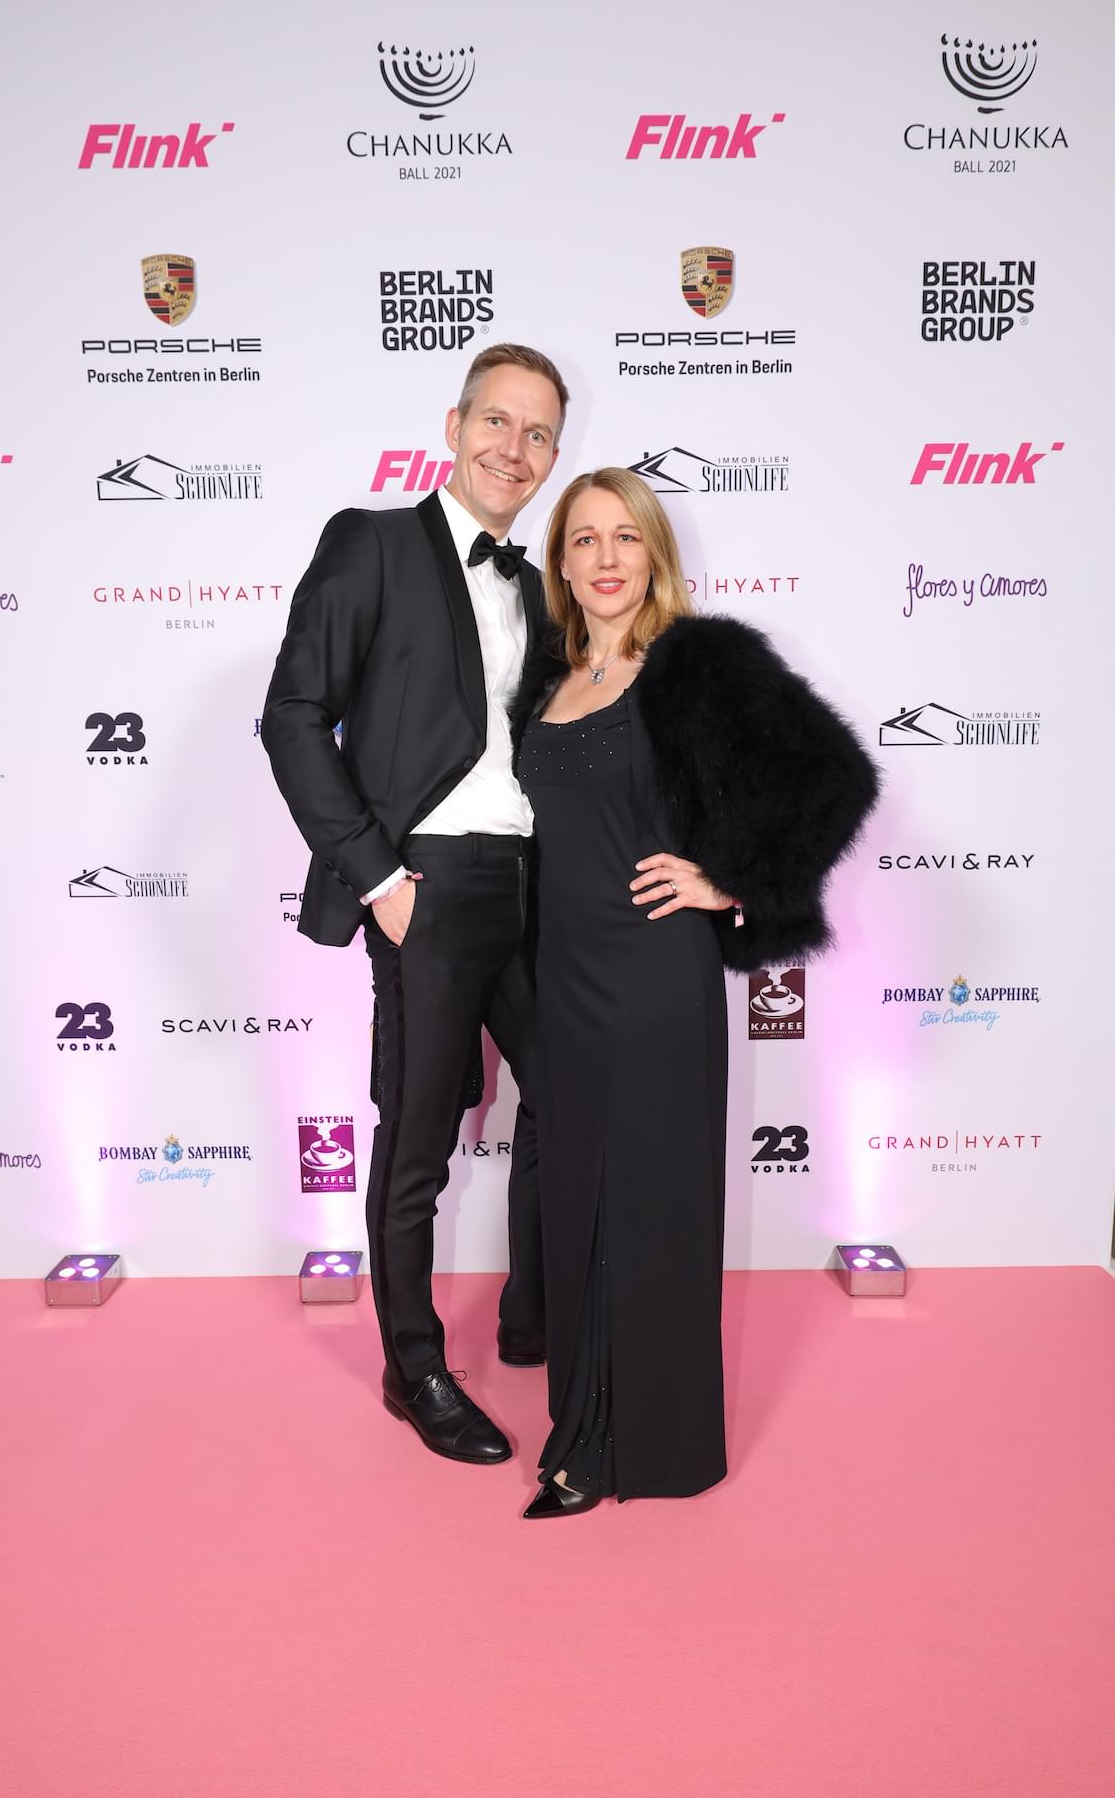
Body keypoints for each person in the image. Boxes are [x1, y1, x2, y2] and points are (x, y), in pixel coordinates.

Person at [510, 468, 878, 1516]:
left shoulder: (698, 664)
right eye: (585, 539)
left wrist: (731, 882)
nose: (606, 558)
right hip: (562, 981)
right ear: (560, 562)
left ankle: (649, 1448)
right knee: (578, 1202)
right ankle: (585, 1423)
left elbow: (836, 778)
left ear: (654, 553)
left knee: (652, 1206)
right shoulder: (543, 681)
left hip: (655, 979)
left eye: (626, 537)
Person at [261, 344, 570, 1467]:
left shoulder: (537, 587)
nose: (513, 449)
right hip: (424, 886)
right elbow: (294, 715)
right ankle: (415, 1366)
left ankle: (535, 1315)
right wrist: (378, 877)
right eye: (497, 421)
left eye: (538, 434)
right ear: (453, 426)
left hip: (529, 882)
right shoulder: (374, 542)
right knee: (419, 1138)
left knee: (573, 1094)